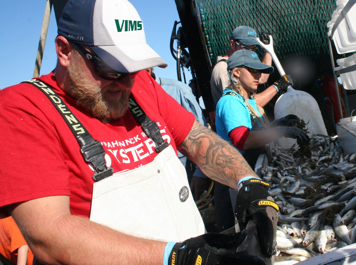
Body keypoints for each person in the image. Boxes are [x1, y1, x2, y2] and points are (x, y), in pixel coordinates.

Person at [0, 0, 278, 264]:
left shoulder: (140, 84)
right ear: (64, 51)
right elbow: (49, 234)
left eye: (132, 69)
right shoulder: (24, 109)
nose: (125, 82)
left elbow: (198, 140)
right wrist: (175, 257)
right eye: (111, 69)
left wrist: (247, 181)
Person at [213, 50, 310, 232]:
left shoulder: (243, 100)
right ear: (236, 72)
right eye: (252, 71)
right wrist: (279, 131)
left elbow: (253, 132)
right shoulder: (231, 103)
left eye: (260, 71)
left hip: (247, 175)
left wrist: (277, 123)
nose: (258, 76)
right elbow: (244, 140)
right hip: (234, 185)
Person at [210, 26, 293, 107]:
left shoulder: (242, 64)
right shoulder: (223, 68)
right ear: (232, 44)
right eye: (245, 47)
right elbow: (245, 105)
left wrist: (267, 50)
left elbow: (262, 78)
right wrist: (277, 86)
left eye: (252, 49)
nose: (249, 52)